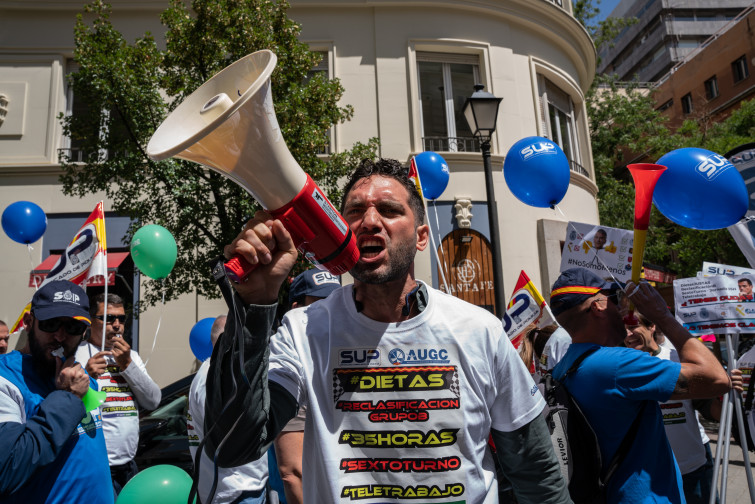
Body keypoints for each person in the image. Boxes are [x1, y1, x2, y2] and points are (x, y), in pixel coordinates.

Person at [205, 158, 569, 503]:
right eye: (355, 212)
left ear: (422, 236)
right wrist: (255, 304)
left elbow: (535, 471)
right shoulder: (303, 332)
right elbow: (234, 445)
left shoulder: (480, 331)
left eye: (390, 210)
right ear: (339, 232)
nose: (370, 221)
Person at [550, 268, 732, 503]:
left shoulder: (563, 367)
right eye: (616, 299)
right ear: (599, 306)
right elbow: (717, 379)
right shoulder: (616, 365)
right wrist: (662, 316)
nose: (624, 310)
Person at [0, 280, 113, 503]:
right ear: (29, 322)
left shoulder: (79, 375)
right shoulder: (6, 379)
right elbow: (8, 469)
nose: (60, 336)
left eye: (72, 328)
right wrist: (68, 398)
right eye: (51, 324)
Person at [624, 311, 742, 504]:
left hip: (691, 467)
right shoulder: (619, 366)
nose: (628, 335)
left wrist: (731, 392)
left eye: (632, 327)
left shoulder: (676, 359)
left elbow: (711, 408)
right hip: (647, 472)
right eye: (623, 330)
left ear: (651, 326)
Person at [74, 293, 161, 494]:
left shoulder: (132, 357)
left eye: (121, 319)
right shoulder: (78, 354)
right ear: (90, 321)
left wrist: (127, 365)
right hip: (95, 463)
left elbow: (153, 401)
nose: (116, 325)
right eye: (108, 318)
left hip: (129, 463)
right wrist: (88, 375)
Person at [272, 268, 341, 504]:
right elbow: (292, 473)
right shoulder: (291, 370)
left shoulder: (342, 360)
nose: (330, 311)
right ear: (295, 310)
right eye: (320, 304)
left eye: (336, 302)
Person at [187, 315, 272, 504]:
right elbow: (227, 432)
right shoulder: (217, 376)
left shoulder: (213, 373)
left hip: (236, 487)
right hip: (236, 488)